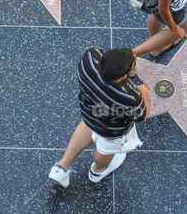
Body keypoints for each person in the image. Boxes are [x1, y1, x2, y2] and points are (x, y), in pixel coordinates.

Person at [49, 47, 149, 187]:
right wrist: (144, 94)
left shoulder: (89, 56)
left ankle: (62, 167)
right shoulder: (130, 96)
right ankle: (98, 170)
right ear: (122, 76)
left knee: (89, 125)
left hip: (90, 109)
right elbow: (142, 116)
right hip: (111, 129)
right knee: (106, 148)